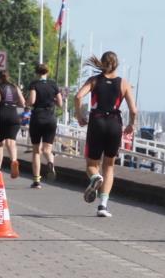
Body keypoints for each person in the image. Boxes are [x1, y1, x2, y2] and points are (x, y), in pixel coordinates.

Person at [74, 51, 137, 218]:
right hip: (115, 124)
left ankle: (95, 177)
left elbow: (78, 96)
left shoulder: (94, 80)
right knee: (109, 166)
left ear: (102, 63)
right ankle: (103, 205)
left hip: (97, 122)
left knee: (91, 164)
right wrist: (131, 124)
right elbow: (133, 110)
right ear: (116, 64)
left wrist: (79, 115)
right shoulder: (124, 83)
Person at [27, 62, 63, 189]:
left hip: (37, 117)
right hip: (50, 119)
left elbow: (32, 101)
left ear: (37, 73)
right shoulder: (53, 84)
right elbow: (60, 103)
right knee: (47, 150)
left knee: (36, 151)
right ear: (47, 72)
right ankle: (50, 162)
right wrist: (52, 99)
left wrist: (27, 103)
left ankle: (37, 181)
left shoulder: (34, 84)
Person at [0, 70, 26, 178]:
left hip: (1, 115)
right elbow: (23, 102)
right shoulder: (15, 87)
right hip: (14, 116)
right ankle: (14, 161)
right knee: (11, 142)